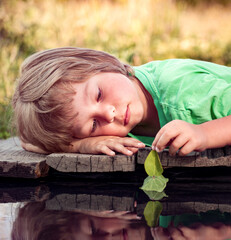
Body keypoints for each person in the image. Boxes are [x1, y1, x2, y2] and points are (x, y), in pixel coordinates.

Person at [12, 47, 231, 156]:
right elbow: (29, 142)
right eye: (93, 125)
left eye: (98, 94)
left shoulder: (183, 91)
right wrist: (81, 145)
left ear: (101, 63)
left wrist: (205, 134)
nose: (108, 114)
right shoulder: (123, 121)